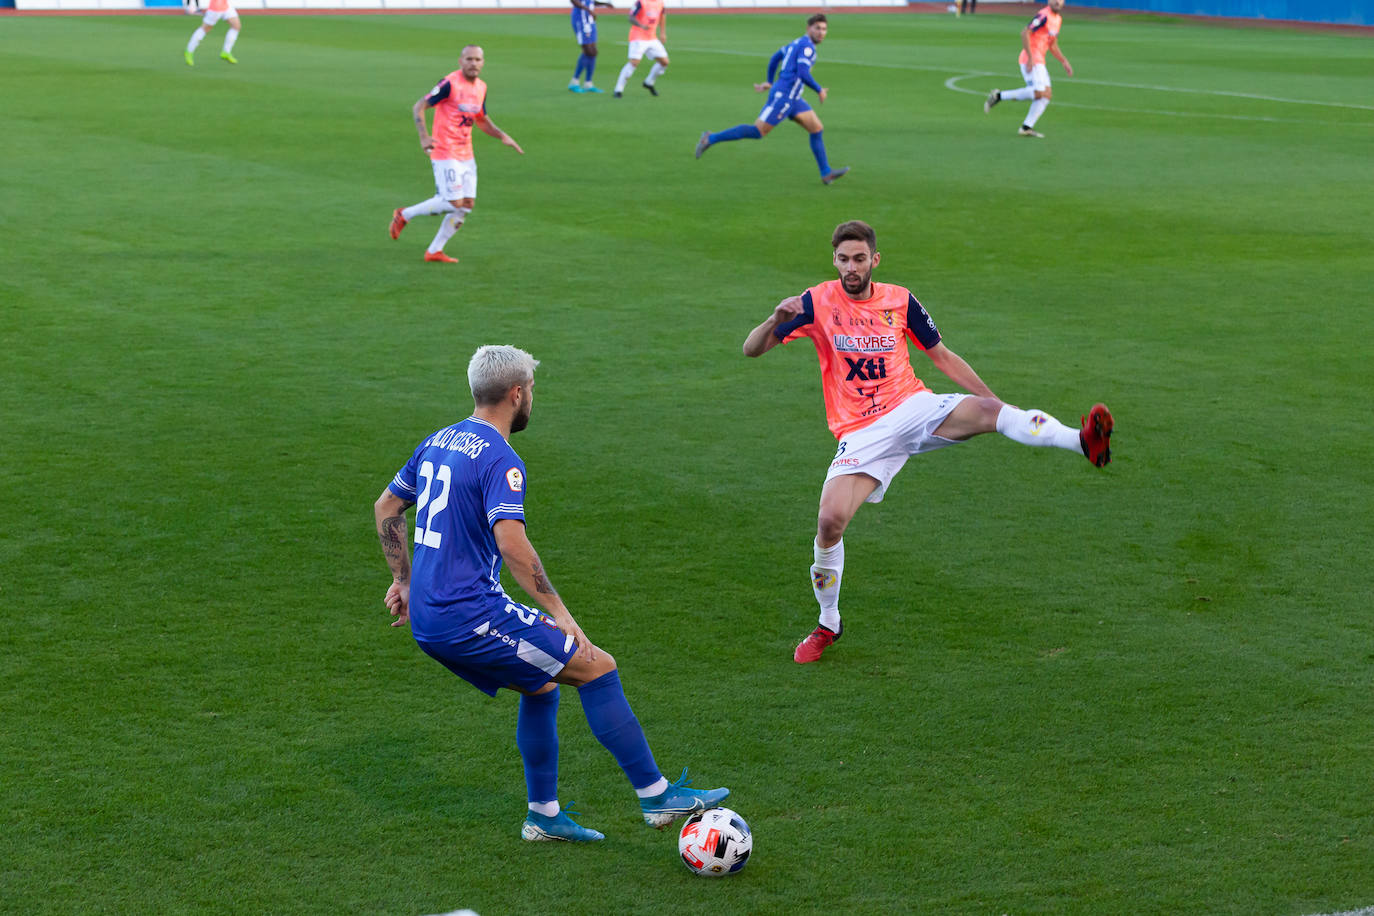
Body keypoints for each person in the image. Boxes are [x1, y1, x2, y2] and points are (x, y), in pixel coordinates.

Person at [373, 345, 730, 841]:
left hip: (433, 618)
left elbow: (387, 505)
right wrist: (560, 612)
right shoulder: (501, 458)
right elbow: (512, 544)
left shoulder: (438, 441)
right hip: (468, 616)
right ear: (517, 393)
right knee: (597, 666)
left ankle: (543, 815)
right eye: (532, 390)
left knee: (540, 687)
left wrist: (404, 581)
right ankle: (657, 797)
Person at [741, 221, 1113, 664]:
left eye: (860, 259)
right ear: (834, 260)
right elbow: (751, 349)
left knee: (990, 414)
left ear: (874, 260)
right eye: (844, 259)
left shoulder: (900, 301)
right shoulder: (815, 303)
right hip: (861, 432)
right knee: (830, 523)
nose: (852, 268)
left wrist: (994, 401)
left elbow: (941, 355)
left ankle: (1082, 441)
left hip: (912, 407)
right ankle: (828, 623)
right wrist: (773, 320)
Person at [389, 46, 525, 264]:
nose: (473, 63)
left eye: (478, 59)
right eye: (469, 59)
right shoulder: (449, 83)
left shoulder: (481, 87)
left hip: (466, 153)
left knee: (466, 205)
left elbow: (480, 119)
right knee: (453, 202)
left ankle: (434, 251)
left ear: (483, 62)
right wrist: (424, 137)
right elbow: (419, 106)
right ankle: (404, 214)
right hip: (444, 151)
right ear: (461, 61)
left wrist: (501, 135)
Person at [694, 14, 848, 186]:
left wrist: (769, 80)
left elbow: (775, 57)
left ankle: (826, 173)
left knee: (816, 128)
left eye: (824, 29)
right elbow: (803, 73)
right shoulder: (807, 48)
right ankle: (709, 138)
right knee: (757, 131)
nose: (821, 32)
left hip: (793, 98)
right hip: (784, 97)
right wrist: (819, 90)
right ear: (808, 28)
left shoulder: (795, 43)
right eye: (817, 28)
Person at [983, 0, 1073, 138]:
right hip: (1031, 59)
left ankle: (1026, 127)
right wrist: (1030, 58)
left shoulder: (1058, 19)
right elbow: (1025, 33)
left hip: (1040, 60)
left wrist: (1063, 61)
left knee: (1046, 96)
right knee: (1039, 93)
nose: (1057, 1)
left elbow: (1052, 44)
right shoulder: (1043, 15)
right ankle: (999, 96)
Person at [612, 0, 668, 99]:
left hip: (652, 38)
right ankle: (618, 89)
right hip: (638, 37)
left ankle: (649, 82)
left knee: (664, 62)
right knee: (634, 63)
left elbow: (662, 16)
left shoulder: (660, 3)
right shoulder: (640, 2)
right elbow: (630, 17)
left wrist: (662, 32)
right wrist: (641, 25)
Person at [568, 0, 614, 93]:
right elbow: (574, 1)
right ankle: (574, 82)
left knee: (593, 52)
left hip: (590, 21)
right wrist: (589, 10)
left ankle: (588, 83)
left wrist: (604, 4)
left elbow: (590, 1)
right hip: (580, 20)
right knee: (588, 51)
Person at [183, 0, 241, 67]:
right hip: (216, 6)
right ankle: (189, 51)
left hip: (226, 6)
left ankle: (226, 52)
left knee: (236, 26)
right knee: (205, 28)